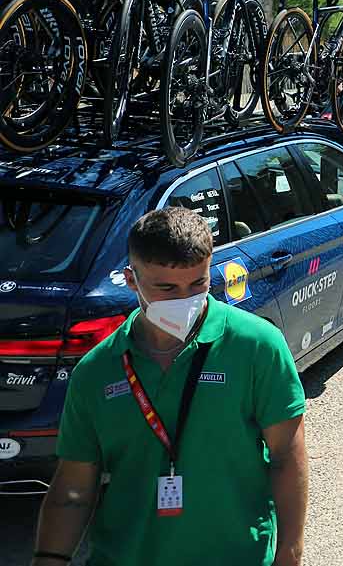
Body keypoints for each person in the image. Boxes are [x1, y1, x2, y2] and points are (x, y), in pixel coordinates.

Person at [35, 207, 308, 566]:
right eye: (166, 288)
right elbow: (73, 488)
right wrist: (48, 559)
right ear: (131, 280)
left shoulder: (256, 346)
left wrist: (290, 552)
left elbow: (287, 457)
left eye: (198, 284)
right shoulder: (97, 370)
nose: (186, 300)